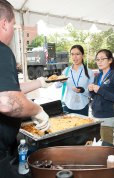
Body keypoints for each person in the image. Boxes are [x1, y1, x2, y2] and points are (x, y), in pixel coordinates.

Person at [0, 1, 50, 177]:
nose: (13, 30)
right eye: (13, 24)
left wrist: (38, 83)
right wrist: (38, 110)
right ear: (5, 23)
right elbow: (6, 102)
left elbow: (6, 89)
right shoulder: (2, 50)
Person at [88, 49, 114, 144]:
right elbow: (94, 96)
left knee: (107, 145)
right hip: (95, 113)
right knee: (96, 143)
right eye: (98, 59)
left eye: (102, 59)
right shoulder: (98, 76)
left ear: (110, 60)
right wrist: (91, 90)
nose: (99, 62)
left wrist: (100, 90)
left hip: (107, 115)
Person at [55, 45, 94, 116]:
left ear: (83, 55)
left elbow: (92, 93)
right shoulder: (66, 71)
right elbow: (57, 86)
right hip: (68, 105)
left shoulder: (89, 72)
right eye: (72, 54)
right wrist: (61, 81)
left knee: (83, 127)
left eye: (77, 54)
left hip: (83, 106)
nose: (74, 57)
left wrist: (83, 90)